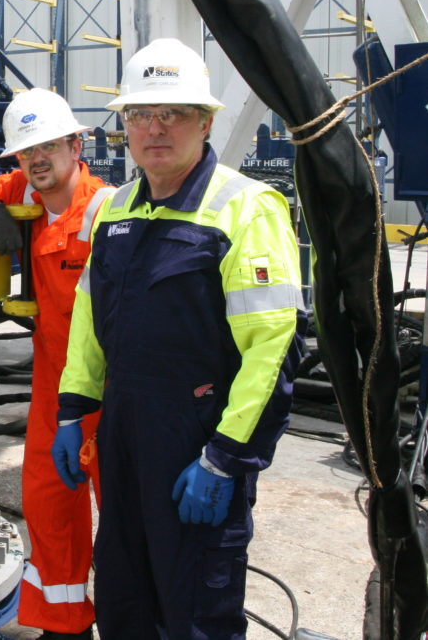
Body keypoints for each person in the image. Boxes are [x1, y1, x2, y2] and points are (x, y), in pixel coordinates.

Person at [52, 38, 305, 639]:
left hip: (199, 439)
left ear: (206, 121)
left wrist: (225, 460)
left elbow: (273, 351)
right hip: (124, 433)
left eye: (173, 113)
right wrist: (72, 409)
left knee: (195, 607)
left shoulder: (246, 208)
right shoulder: (113, 210)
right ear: (124, 128)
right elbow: (90, 318)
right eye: (140, 115)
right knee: (123, 593)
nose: (155, 128)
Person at [0, 88, 112, 639]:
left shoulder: (107, 211)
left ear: (76, 145)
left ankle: (132, 618)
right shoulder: (22, 193)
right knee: (48, 504)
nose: (37, 160)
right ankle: (64, 625)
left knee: (125, 515)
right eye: (25, 151)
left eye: (49, 147)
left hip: (111, 392)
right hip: (52, 390)